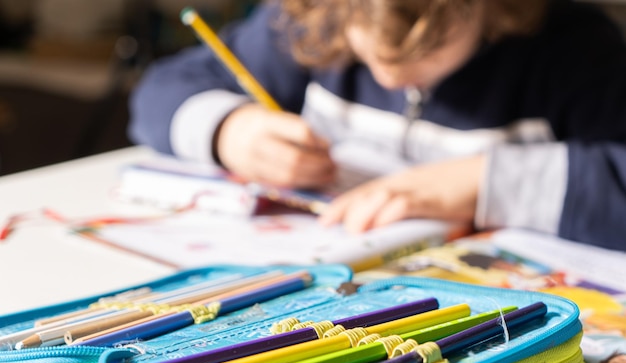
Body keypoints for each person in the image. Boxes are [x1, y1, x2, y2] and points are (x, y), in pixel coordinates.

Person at [128, 0, 626, 251]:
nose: (389, 69)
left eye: (430, 46)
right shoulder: (313, 23)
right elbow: (161, 90)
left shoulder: (575, 52)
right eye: (366, 39)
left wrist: (484, 183)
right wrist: (231, 130)